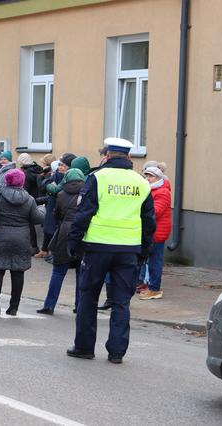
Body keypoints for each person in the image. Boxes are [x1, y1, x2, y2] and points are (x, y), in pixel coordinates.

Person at [66, 137, 155, 364]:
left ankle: (84, 347)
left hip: (97, 248)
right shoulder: (141, 182)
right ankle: (117, 352)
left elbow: (83, 214)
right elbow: (148, 221)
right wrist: (144, 250)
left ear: (106, 155)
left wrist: (73, 244)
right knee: (121, 302)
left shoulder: (97, 178)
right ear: (129, 157)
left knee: (88, 297)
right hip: (129, 250)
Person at [0, 169, 44, 317]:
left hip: (0, 236)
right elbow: (37, 218)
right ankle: (13, 307)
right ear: (22, 182)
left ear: (7, 181)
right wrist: (42, 210)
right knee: (18, 271)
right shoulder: (29, 199)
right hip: (21, 238)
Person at [37, 168, 86, 315]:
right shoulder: (88, 194)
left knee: (58, 271)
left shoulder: (61, 194)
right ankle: (80, 305)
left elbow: (57, 214)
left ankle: (49, 305)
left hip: (64, 232)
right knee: (81, 272)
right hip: (83, 233)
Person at [138, 165, 171, 300]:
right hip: (151, 230)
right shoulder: (150, 190)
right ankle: (150, 286)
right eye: (146, 175)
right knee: (149, 261)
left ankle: (154, 289)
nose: (147, 178)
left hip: (157, 231)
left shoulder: (162, 192)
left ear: (158, 178)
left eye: (150, 176)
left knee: (154, 261)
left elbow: (155, 212)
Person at [17, 153, 44, 255]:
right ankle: (36, 247)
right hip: (39, 199)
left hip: (29, 200)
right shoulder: (38, 169)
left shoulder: (27, 173)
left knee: (28, 225)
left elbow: (26, 189)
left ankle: (33, 246)